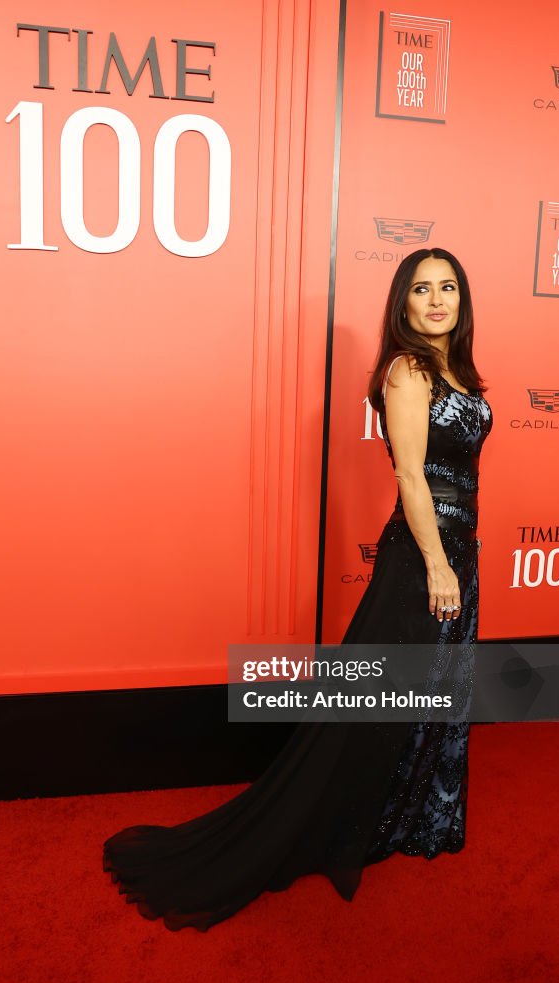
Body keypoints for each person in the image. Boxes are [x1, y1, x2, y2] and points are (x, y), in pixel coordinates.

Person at [102, 247, 494, 931]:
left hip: (459, 551)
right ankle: (345, 817)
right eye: (421, 290)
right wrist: (436, 565)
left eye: (448, 288)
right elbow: (409, 477)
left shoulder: (456, 371)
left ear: (461, 299)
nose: (436, 301)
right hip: (424, 556)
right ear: (401, 304)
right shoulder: (407, 372)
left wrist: (455, 560)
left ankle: (412, 815)